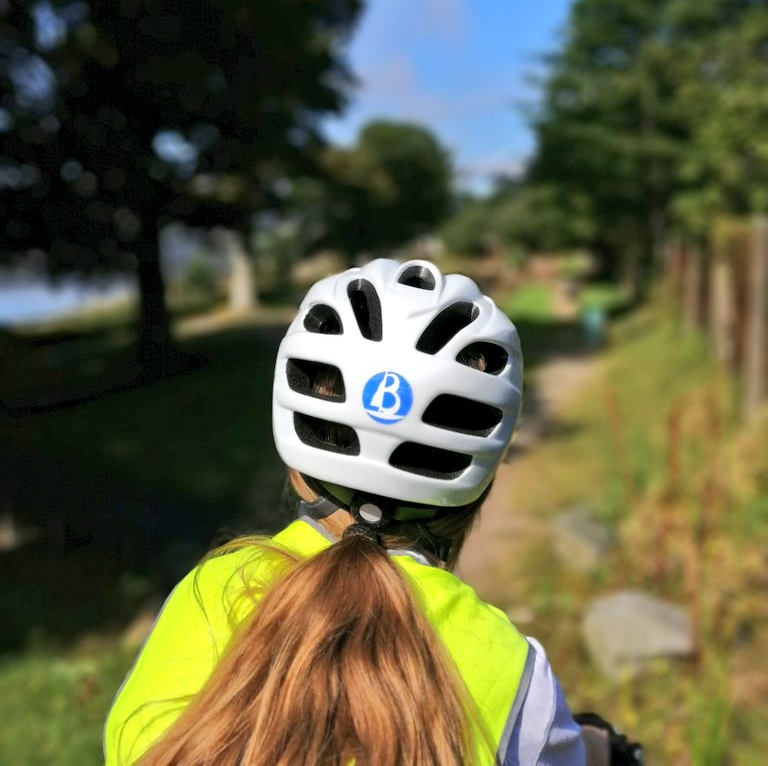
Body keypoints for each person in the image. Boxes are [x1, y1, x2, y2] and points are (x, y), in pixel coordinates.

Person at [104, 258, 640, 766]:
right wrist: (600, 745)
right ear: (483, 482)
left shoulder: (208, 598)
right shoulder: (511, 671)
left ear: (294, 460)